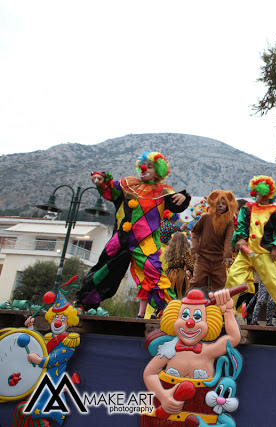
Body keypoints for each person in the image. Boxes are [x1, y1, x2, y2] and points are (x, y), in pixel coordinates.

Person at [78, 151, 191, 317]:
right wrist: (102, 180)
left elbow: (177, 203)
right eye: (143, 165)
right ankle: (83, 304)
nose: (144, 168)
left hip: (146, 242)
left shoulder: (163, 191)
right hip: (120, 239)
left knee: (154, 273)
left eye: (150, 166)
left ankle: (168, 309)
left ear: (157, 171)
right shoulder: (127, 184)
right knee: (103, 270)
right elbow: (110, 189)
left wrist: (183, 196)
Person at [142, 289, 240, 425]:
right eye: (185, 315)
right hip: (165, 419)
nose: (190, 323)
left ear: (209, 322)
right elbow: (149, 373)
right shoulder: (169, 349)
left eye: (198, 317)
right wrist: (163, 396)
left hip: (200, 418)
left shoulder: (208, 352)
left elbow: (233, 338)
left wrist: (228, 311)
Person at [225, 176, 276, 328]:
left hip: (265, 254)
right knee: (232, 279)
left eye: (262, 193)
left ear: (269, 194)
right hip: (246, 253)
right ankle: (223, 313)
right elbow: (242, 226)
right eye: (256, 192)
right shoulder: (247, 209)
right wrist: (241, 238)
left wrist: (275, 247)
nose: (259, 196)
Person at [23, 281, 80, 425]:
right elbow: (38, 345)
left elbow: (56, 358)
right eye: (56, 318)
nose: (58, 322)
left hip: (54, 381)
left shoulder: (70, 341)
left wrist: (39, 360)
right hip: (43, 380)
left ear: (68, 322)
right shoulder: (50, 339)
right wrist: (31, 328)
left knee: (49, 406)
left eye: (62, 319)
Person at [190, 190, 237, 294]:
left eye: (223, 204)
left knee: (219, 285)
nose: (220, 206)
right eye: (218, 203)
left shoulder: (229, 222)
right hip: (203, 258)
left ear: (228, 206)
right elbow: (195, 232)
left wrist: (227, 255)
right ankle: (191, 306)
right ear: (213, 204)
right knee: (197, 282)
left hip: (219, 259)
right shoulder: (205, 217)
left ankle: (217, 308)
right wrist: (194, 247)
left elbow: (229, 239)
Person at [164, 231, 194, 300]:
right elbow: (191, 265)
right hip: (180, 276)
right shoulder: (185, 251)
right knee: (180, 296)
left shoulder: (169, 250)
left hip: (169, 274)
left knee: (169, 296)